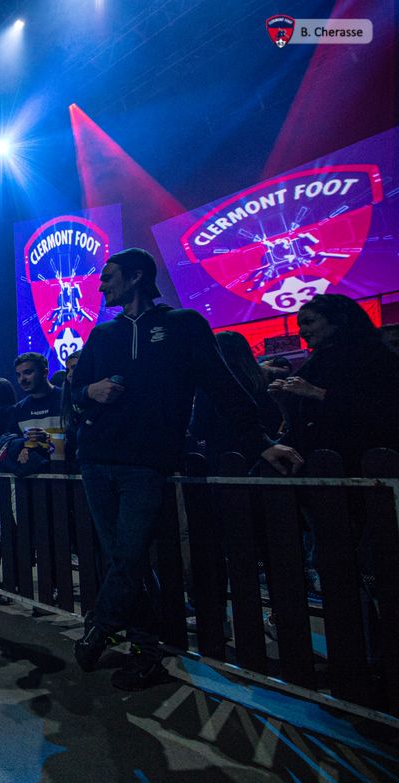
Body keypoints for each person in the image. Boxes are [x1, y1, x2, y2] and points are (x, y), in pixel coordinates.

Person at [70, 247, 303, 691]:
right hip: (95, 459)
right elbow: (77, 391)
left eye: (109, 276)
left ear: (136, 277)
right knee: (126, 560)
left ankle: (101, 624)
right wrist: (90, 391)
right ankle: (145, 652)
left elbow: (223, 387)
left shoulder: (185, 325)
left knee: (130, 556)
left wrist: (263, 443)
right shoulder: (102, 335)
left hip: (148, 462)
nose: (101, 285)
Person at [269, 295, 399, 472]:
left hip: (365, 460)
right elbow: (297, 423)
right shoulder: (314, 363)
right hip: (320, 463)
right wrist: (283, 400)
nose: (301, 331)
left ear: (338, 320)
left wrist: (316, 392)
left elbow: (381, 406)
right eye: (300, 325)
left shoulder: (373, 356)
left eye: (309, 322)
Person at [190, 331, 281, 460]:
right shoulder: (265, 379)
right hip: (267, 455)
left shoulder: (211, 384)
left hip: (225, 459)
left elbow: (199, 428)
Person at [10, 353, 66, 463]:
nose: (22, 379)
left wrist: (49, 439)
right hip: (35, 477)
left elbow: (81, 440)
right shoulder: (20, 409)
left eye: (27, 372)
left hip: (69, 473)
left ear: (44, 372)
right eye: (18, 375)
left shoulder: (66, 400)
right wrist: (20, 448)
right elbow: (13, 440)